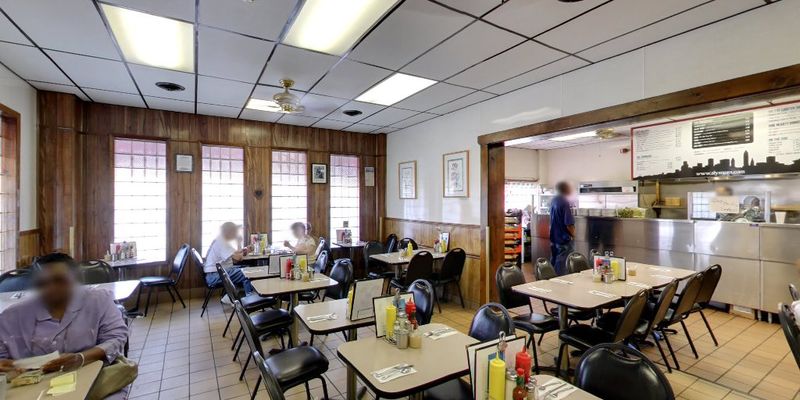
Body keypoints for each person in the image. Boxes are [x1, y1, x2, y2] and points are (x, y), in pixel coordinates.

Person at [0, 253, 131, 399]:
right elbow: (2, 356)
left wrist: (81, 358)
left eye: (59, 280)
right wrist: (4, 365)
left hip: (95, 378)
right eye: (43, 283)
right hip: (34, 388)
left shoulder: (98, 300)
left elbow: (116, 338)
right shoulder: (13, 316)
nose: (51, 288)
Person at [204, 222, 253, 299]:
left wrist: (244, 250)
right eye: (235, 232)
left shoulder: (222, 240)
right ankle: (250, 299)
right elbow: (238, 258)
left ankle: (230, 297)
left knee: (247, 268)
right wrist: (239, 242)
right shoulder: (222, 243)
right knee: (247, 273)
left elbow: (235, 254)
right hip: (215, 276)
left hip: (216, 273)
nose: (236, 234)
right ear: (229, 232)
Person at [549, 181, 576, 276]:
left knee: (553, 261)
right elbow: (569, 224)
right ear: (565, 189)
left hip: (554, 237)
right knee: (561, 265)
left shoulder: (554, 200)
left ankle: (549, 280)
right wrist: (574, 235)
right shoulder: (564, 202)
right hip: (563, 239)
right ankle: (558, 282)